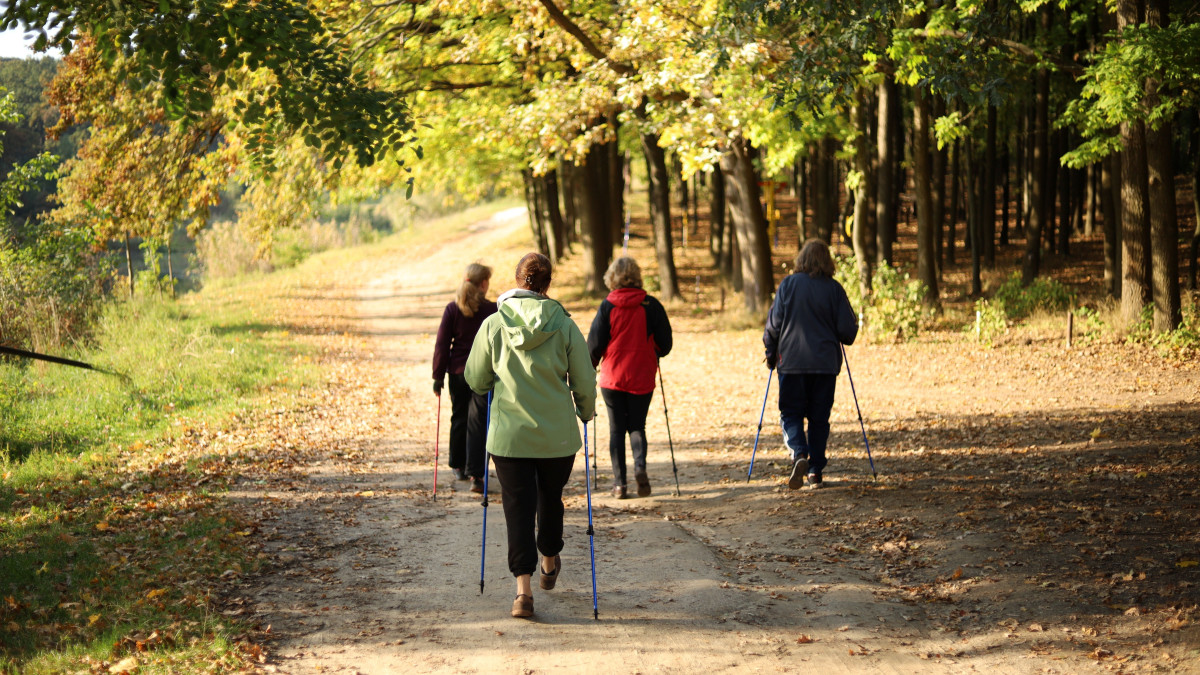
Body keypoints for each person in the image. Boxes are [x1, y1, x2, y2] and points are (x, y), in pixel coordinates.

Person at [465, 252, 596, 619]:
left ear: (517, 280)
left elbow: (475, 379)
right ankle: (549, 559)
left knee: (517, 507)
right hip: (556, 437)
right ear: (547, 284)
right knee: (550, 497)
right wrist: (585, 411)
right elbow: (584, 379)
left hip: (509, 437)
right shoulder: (565, 324)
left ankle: (522, 593)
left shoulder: (493, 324)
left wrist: (496, 378)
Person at [763, 239, 858, 490]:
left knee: (791, 413)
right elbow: (847, 332)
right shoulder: (835, 289)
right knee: (819, 419)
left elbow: (774, 323)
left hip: (792, 362)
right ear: (828, 261)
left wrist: (770, 351)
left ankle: (799, 453)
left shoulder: (789, 285)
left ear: (801, 259)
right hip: (825, 365)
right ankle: (815, 471)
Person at [586, 257, 672, 499]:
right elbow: (666, 344)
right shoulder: (651, 305)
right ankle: (640, 469)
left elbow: (594, 346)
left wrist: (588, 368)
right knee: (637, 426)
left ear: (612, 277)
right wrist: (653, 351)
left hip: (612, 377)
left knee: (616, 430)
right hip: (641, 374)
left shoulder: (607, 306)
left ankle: (619, 484)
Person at [432, 263, 496, 493]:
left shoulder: (453, 309)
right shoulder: (492, 310)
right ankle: (476, 475)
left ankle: (458, 465)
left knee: (459, 416)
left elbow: (442, 344)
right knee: (478, 421)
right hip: (482, 373)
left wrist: (437, 376)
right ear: (483, 284)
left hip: (458, 372)